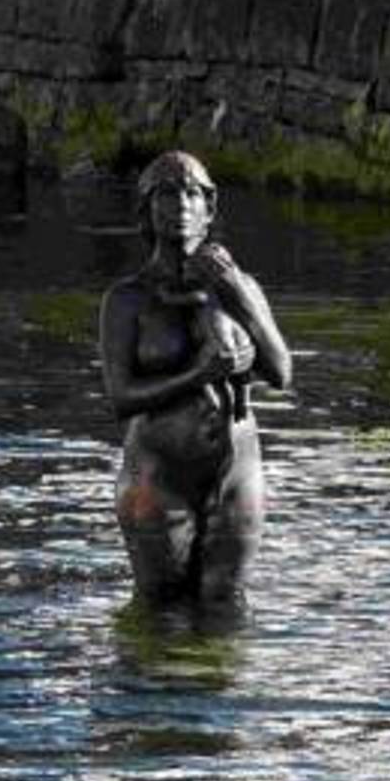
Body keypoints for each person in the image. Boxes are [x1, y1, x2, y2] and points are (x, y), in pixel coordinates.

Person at [98, 150, 293, 610]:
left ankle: (222, 683)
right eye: (167, 193)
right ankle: (150, 682)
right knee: (160, 608)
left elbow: (281, 373)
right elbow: (120, 399)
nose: (181, 203)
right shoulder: (126, 300)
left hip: (237, 473)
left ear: (210, 207)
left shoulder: (240, 287)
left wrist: (238, 295)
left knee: (227, 604)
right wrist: (198, 375)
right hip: (159, 473)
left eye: (192, 193)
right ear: (145, 209)